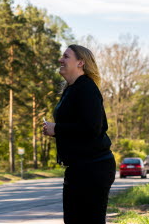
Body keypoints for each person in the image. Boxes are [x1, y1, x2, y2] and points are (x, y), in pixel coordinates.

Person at [42, 44, 115, 224]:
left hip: (94, 168)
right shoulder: (71, 89)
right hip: (79, 168)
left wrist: (57, 129)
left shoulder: (86, 88)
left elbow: (92, 128)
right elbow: (78, 126)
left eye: (66, 56)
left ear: (80, 62)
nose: (60, 60)